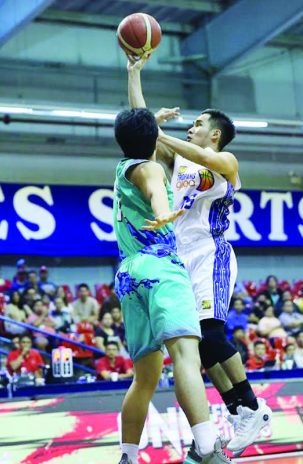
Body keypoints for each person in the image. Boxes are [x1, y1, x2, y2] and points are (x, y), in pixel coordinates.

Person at [128, 54, 270, 457]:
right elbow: (142, 130)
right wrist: (134, 75)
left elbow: (187, 150)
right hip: (179, 259)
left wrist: (157, 131)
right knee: (197, 347)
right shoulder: (177, 164)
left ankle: (254, 407)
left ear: (215, 136)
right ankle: (240, 410)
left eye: (198, 125)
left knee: (211, 335)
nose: (190, 128)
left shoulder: (224, 161)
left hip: (212, 254)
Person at [111, 106, 231, 463]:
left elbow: (137, 125)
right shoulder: (151, 168)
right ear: (152, 139)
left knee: (144, 377)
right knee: (186, 357)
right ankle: (208, 447)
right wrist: (163, 210)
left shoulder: (122, 168)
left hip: (129, 275)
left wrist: (134, 74)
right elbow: (155, 189)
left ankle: (128, 456)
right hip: (161, 266)